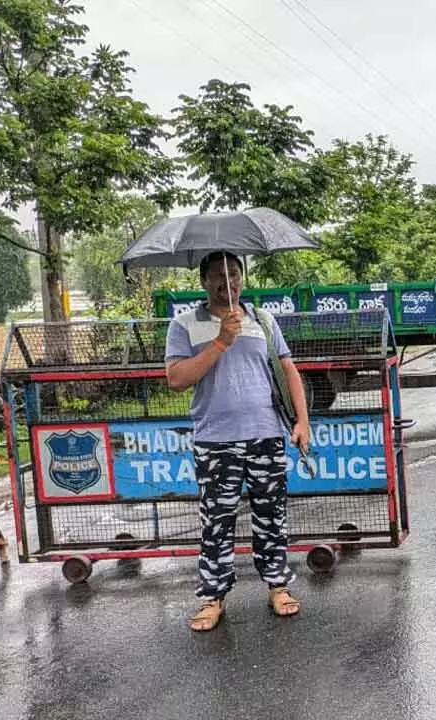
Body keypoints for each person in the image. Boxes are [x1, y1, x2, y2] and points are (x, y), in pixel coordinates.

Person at [165, 251, 311, 632]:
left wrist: (303, 421)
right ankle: (213, 597)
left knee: (272, 517)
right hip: (215, 442)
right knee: (217, 521)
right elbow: (177, 378)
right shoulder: (183, 325)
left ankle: (278, 585)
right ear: (203, 281)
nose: (226, 282)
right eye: (217, 275)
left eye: (233, 274)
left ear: (242, 279)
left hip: (266, 433)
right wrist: (220, 342)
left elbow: (288, 370)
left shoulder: (263, 320)